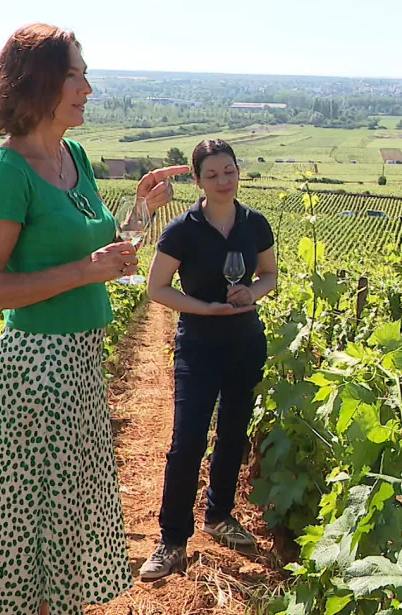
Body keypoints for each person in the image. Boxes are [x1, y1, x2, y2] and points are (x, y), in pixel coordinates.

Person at [0, 23, 187, 615]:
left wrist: (137, 211)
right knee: (42, 521)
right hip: (38, 366)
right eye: (75, 74)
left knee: (74, 513)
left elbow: (106, 252)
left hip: (81, 361)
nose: (88, 86)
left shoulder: (73, 156)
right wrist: (86, 270)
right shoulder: (6, 173)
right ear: (40, 83)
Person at [140, 139, 278, 581]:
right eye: (212, 174)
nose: (223, 181)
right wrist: (205, 307)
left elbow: (269, 274)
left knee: (233, 434)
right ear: (197, 180)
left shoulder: (255, 224)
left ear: (239, 172)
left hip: (244, 341)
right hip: (197, 344)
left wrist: (250, 294)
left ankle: (219, 516)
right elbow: (156, 287)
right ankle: (172, 541)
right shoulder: (181, 229)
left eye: (229, 171)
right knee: (187, 443)